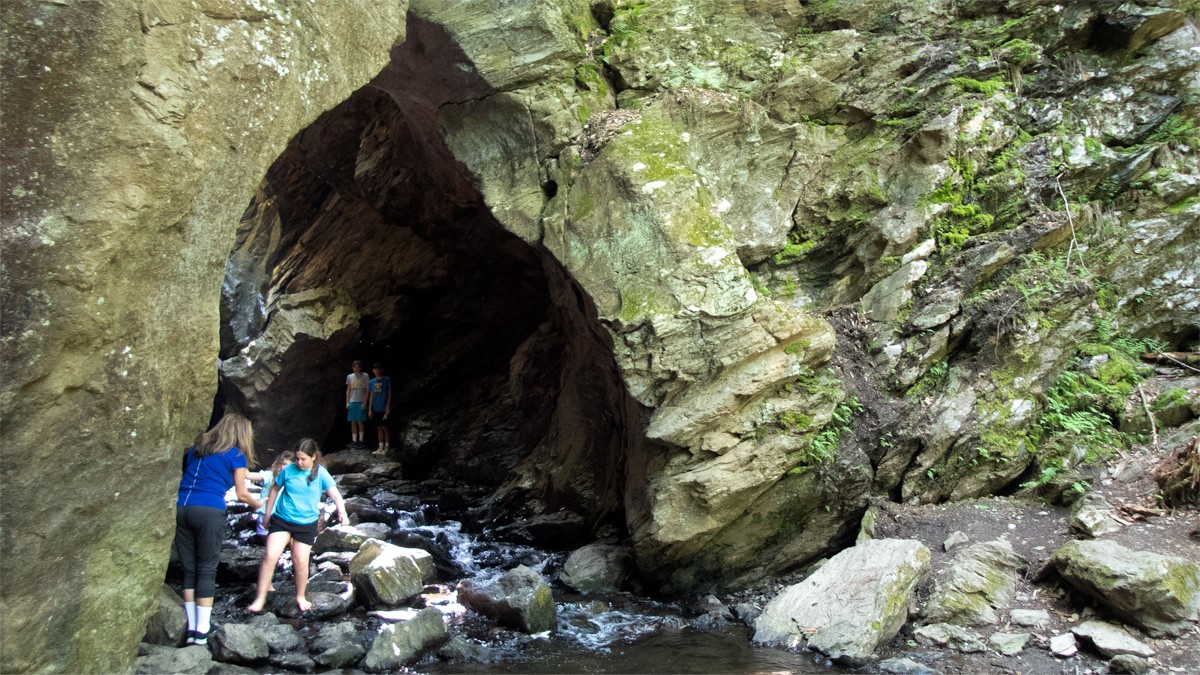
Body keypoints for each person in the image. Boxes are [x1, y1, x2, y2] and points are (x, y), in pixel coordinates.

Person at [174, 412, 262, 646]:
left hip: (181, 507)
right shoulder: (236, 454)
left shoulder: (198, 447)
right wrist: (261, 505)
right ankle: (202, 633)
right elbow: (242, 493)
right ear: (242, 433)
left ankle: (192, 628)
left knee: (189, 569)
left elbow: (218, 473)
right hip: (209, 509)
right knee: (206, 568)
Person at [247, 438, 348, 613]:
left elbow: (337, 496)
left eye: (303, 459)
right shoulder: (288, 470)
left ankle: (300, 596)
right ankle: (260, 597)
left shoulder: (321, 474)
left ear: (313, 457)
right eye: (297, 459)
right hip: (282, 519)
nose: (299, 462)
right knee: (271, 555)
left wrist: (343, 513)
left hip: (306, 524)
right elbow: (274, 489)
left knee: (300, 561)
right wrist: (267, 513)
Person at [251, 451, 295, 544]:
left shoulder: (293, 481)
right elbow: (256, 476)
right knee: (267, 543)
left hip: (280, 517)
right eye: (284, 464)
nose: (286, 467)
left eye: (289, 465)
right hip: (264, 514)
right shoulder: (270, 475)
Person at [367, 362, 393, 455]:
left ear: (381, 370)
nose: (377, 371)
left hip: (384, 407)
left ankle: (387, 447)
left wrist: (388, 407)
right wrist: (370, 409)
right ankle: (380, 447)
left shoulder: (386, 380)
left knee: (385, 427)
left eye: (379, 369)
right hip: (376, 407)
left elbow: (389, 394)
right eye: (375, 369)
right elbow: (371, 396)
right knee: (378, 427)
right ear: (373, 370)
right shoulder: (372, 381)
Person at [345, 360, 370, 448]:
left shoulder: (365, 375)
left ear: (361, 367)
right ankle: (354, 440)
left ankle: (361, 441)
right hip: (352, 401)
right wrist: (347, 402)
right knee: (353, 422)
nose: (357, 369)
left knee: (360, 421)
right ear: (352, 368)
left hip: (361, 401)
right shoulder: (350, 377)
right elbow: (348, 390)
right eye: (355, 367)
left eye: (358, 367)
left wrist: (365, 402)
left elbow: (368, 390)